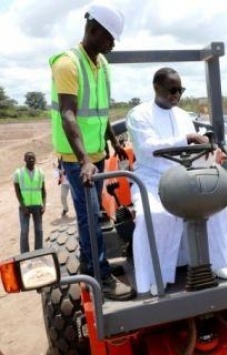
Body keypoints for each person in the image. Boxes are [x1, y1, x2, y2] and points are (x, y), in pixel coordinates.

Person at [50, 1, 135, 300]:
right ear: (94, 30)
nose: (112, 45)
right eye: (110, 38)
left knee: (95, 212)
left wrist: (113, 140)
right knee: (88, 216)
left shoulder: (101, 63)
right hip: (78, 160)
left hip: (96, 154)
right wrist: (85, 159)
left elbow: (100, 112)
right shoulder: (68, 64)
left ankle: (89, 263)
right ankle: (102, 277)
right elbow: (68, 114)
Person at [126, 67, 227, 296]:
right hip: (153, 181)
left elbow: (193, 148)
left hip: (185, 178)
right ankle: (158, 276)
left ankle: (217, 263)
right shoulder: (139, 114)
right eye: (171, 90)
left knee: (217, 211)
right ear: (156, 87)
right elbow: (147, 149)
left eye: (180, 90)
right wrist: (185, 138)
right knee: (156, 216)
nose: (176, 95)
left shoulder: (184, 116)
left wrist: (206, 148)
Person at [13, 152, 46, 253]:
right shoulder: (18, 173)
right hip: (24, 207)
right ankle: (24, 254)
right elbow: (17, 191)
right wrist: (23, 206)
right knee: (24, 231)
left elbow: (43, 190)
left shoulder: (41, 172)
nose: (31, 159)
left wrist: (44, 204)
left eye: (33, 158)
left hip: (37, 206)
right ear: (24, 160)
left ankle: (39, 252)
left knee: (39, 230)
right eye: (29, 158)